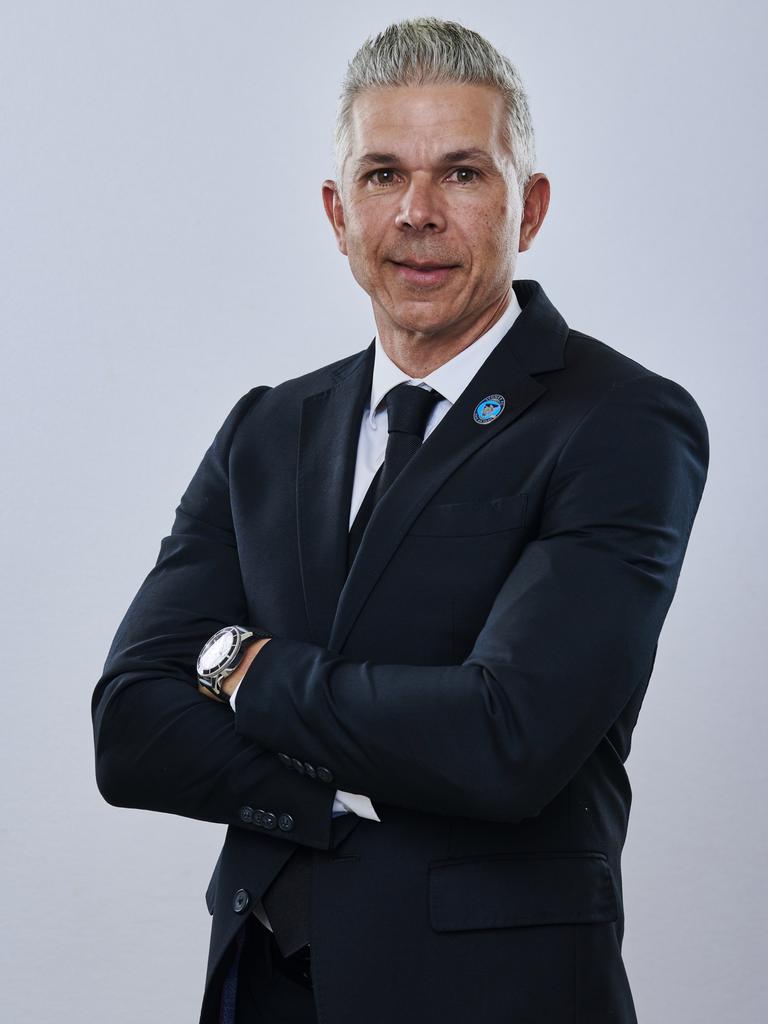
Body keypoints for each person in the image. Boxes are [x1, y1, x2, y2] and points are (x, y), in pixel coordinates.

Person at [91, 16, 709, 1024]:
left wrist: (242, 666)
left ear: (530, 206)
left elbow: (505, 740)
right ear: (338, 213)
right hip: (261, 984)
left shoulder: (622, 422)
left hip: (490, 995)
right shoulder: (267, 426)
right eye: (383, 175)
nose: (417, 212)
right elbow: (130, 728)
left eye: (462, 173)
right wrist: (330, 794)